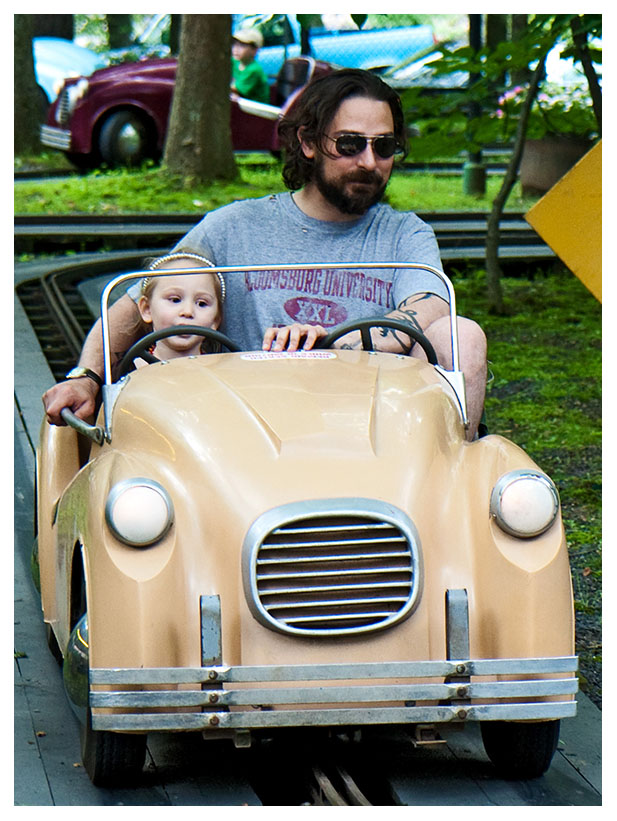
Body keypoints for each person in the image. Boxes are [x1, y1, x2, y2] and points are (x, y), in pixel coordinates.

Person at [43, 68, 487, 439]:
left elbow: (430, 303)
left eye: (384, 146)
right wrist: (87, 375)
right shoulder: (233, 227)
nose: (370, 162)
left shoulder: (403, 234)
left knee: (463, 334)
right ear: (309, 143)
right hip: (244, 437)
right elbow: (139, 304)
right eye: (350, 144)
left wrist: (331, 348)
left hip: (368, 435)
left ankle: (449, 477)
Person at [133, 253, 225, 364]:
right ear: (147, 309)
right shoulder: (135, 371)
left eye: (201, 303)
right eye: (175, 300)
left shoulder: (221, 372)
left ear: (215, 320)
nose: (187, 312)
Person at [230, 28, 270, 105]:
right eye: (235, 44)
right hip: (244, 106)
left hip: (257, 111)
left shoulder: (254, 70)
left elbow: (235, 90)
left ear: (255, 50)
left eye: (242, 45)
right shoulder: (235, 62)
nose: (235, 49)